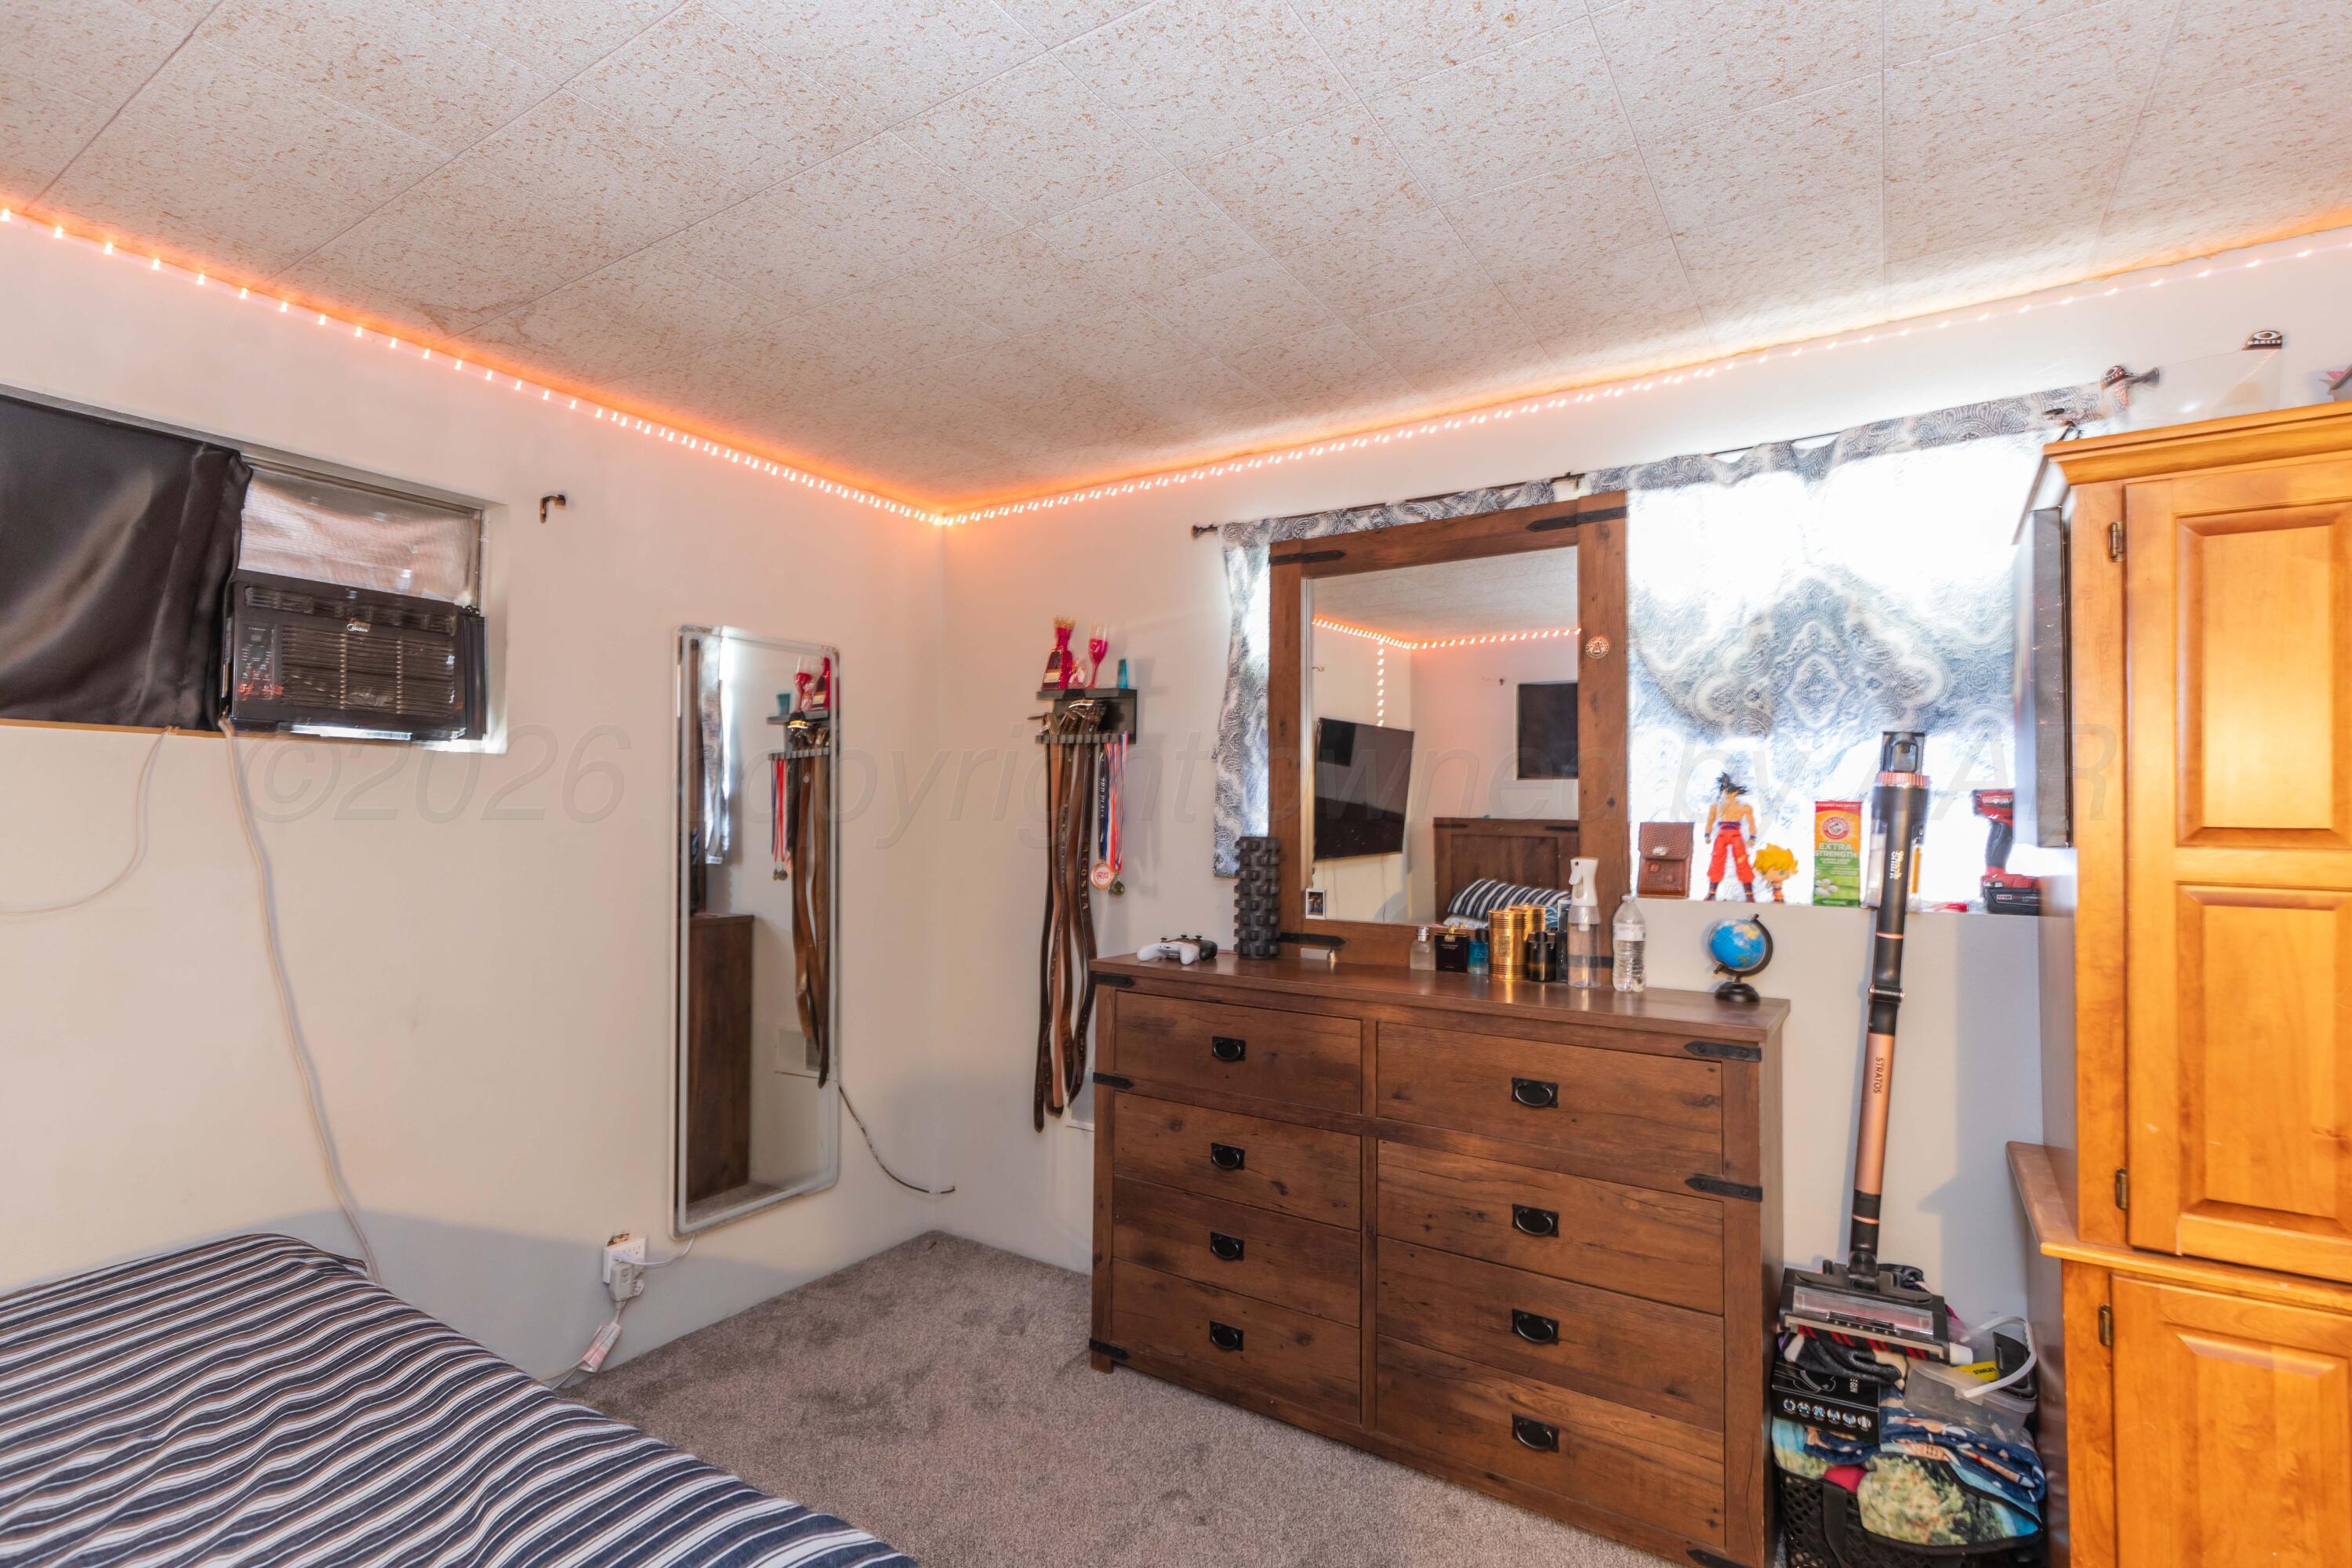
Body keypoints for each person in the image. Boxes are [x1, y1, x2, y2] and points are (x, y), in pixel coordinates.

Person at [1702, 771, 1759, 901]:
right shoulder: (1716, 807)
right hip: (1722, 834)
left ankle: (1749, 894)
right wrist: (1707, 834)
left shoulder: (1744, 807)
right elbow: (1710, 821)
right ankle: (1712, 892)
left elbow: (1752, 823)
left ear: (1734, 793)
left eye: (1727, 791)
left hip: (1735, 834)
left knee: (1742, 860)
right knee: (1716, 860)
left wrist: (1752, 837)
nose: (1725, 794)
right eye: (1723, 791)